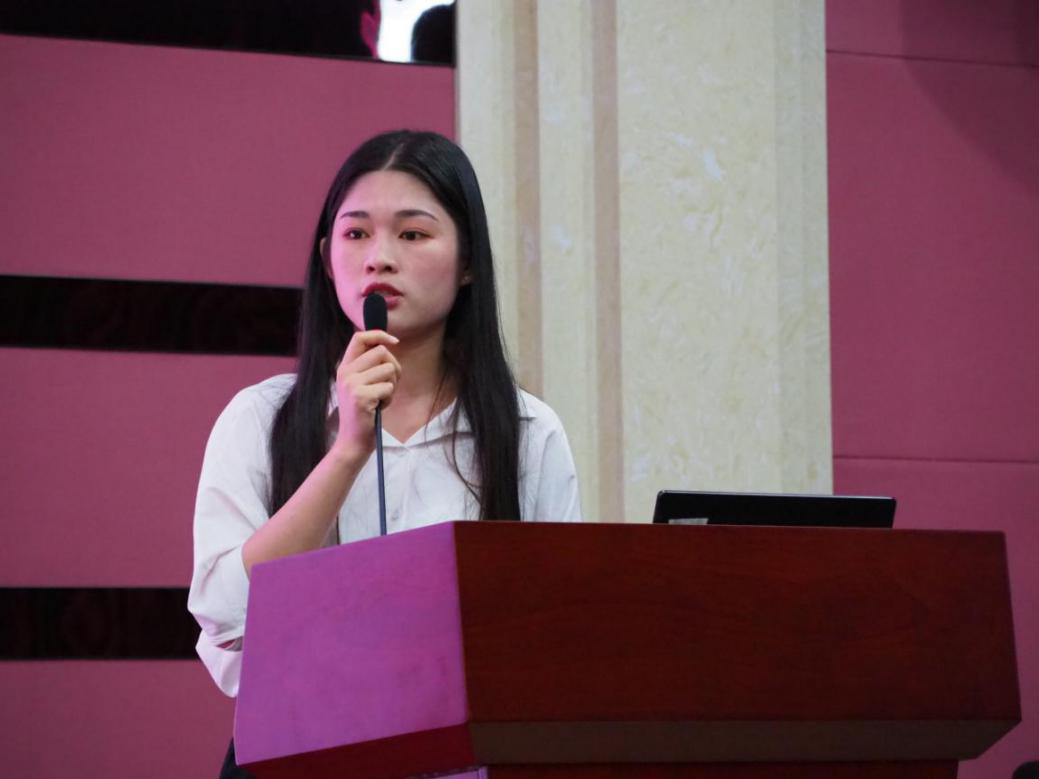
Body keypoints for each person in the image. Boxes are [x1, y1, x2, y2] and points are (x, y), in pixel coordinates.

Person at [187, 130, 582, 776]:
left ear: (468, 262)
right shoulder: (261, 419)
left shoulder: (526, 431)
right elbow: (226, 616)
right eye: (356, 234)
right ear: (326, 259)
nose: (379, 259)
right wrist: (346, 450)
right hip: (301, 758)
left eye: (413, 234)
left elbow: (556, 640)